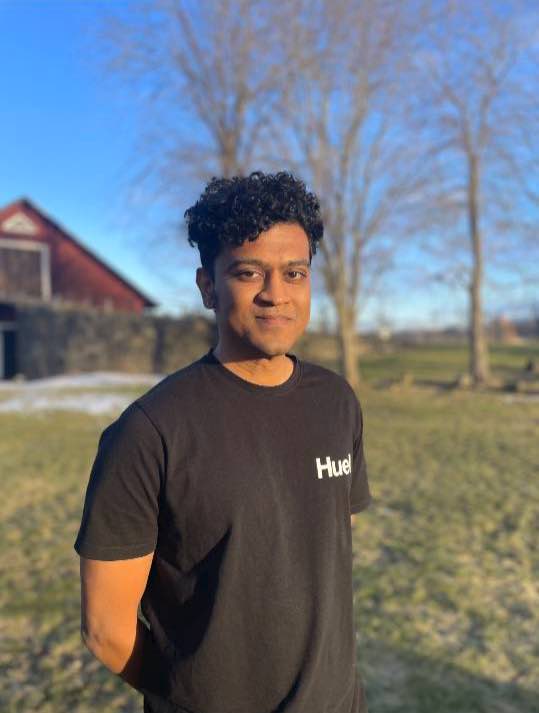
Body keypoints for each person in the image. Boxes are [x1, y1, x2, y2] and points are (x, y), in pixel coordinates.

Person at [74, 170, 372, 713]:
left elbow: (330, 546)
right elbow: (105, 629)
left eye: (295, 273)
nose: (275, 294)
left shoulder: (337, 403)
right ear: (207, 286)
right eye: (248, 272)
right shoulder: (149, 432)